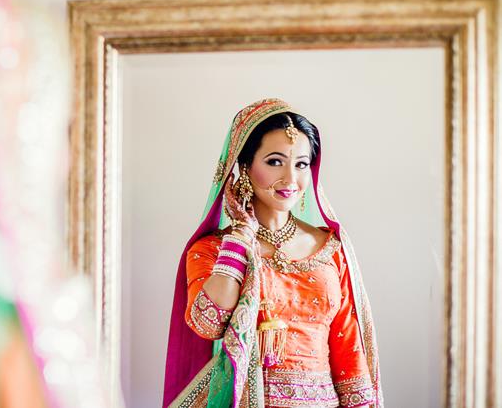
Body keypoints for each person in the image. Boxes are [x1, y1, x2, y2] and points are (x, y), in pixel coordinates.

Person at [162, 98, 383, 408]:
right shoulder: (214, 249)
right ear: (244, 165)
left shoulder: (331, 249)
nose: (291, 179)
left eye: (301, 164)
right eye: (275, 161)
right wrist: (240, 238)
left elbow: (349, 352)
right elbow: (208, 323)